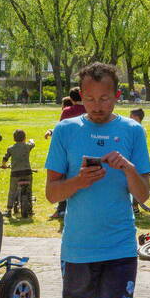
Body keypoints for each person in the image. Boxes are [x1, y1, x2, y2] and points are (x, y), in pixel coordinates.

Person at [44, 62, 150, 298]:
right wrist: (79, 181)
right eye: (89, 98)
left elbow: (146, 194)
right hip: (78, 249)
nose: (97, 105)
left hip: (120, 247)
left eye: (105, 98)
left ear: (117, 96)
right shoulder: (65, 131)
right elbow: (51, 195)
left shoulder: (133, 131)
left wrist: (129, 169)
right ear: (81, 97)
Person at [47, 89, 87, 220]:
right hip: (86, 149)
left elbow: (61, 130)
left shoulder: (67, 111)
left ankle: (61, 209)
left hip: (68, 149)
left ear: (71, 98)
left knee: (63, 180)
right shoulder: (89, 109)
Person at [1, 130, 36, 218]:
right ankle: (30, 209)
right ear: (24, 138)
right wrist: (31, 140)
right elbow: (33, 144)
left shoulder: (11, 148)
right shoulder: (27, 146)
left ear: (14, 139)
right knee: (29, 191)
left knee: (12, 191)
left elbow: (5, 159)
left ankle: (9, 210)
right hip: (27, 172)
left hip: (15, 173)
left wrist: (4, 165)